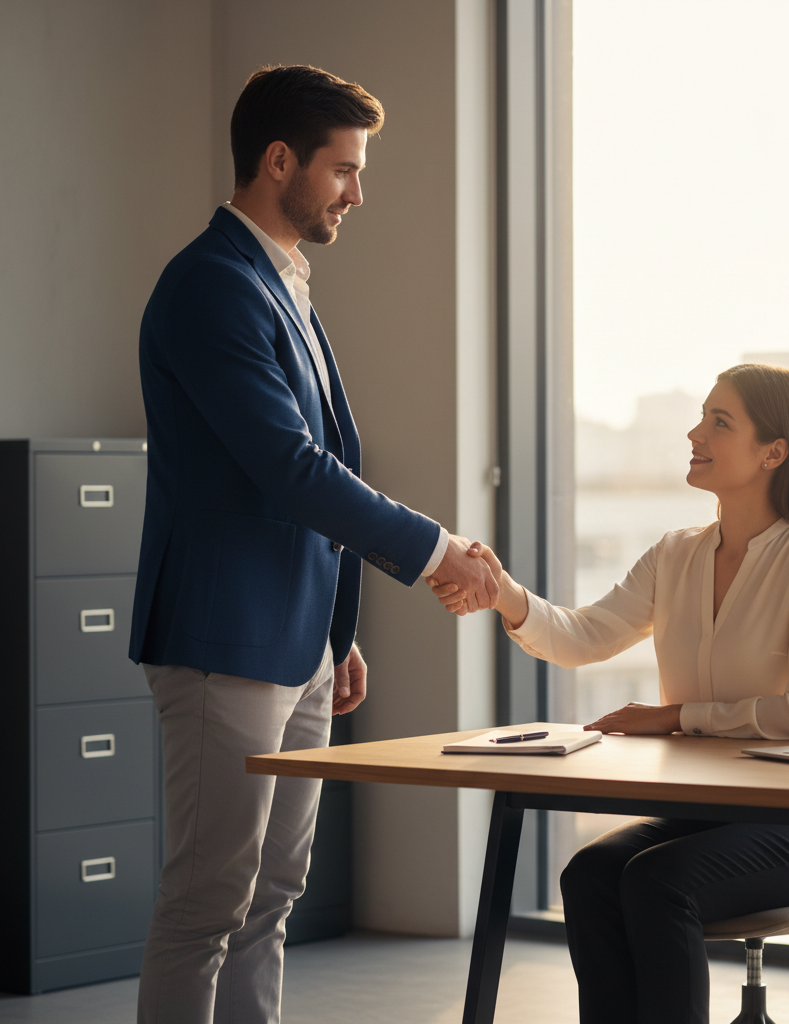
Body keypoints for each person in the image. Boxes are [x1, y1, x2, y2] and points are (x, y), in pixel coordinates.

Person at [128, 65, 496, 1024]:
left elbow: (318, 465)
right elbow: (287, 468)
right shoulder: (211, 284)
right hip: (225, 641)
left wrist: (339, 631)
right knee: (209, 899)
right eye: (343, 170)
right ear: (278, 160)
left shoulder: (282, 280)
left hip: (296, 647)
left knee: (272, 900)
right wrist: (436, 550)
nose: (357, 194)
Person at [430, 363, 789, 1024]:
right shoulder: (676, 554)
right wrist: (505, 592)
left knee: (659, 882)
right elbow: (580, 637)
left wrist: (676, 717)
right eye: (702, 416)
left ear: (774, 452)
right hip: (702, 814)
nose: (696, 432)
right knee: (588, 875)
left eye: (721, 422)